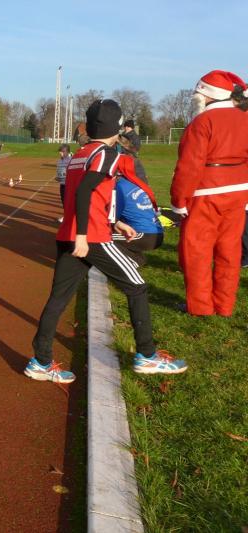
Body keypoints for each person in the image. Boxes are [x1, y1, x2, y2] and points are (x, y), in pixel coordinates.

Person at [25, 99, 187, 384]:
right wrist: (84, 235)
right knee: (137, 286)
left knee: (58, 298)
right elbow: (85, 193)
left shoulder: (80, 154)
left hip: (70, 234)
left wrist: (115, 223)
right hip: (90, 236)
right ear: (117, 127)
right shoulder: (107, 154)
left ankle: (41, 361)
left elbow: (91, 195)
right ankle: (147, 355)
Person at [170, 70, 248, 317]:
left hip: (206, 192)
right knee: (230, 250)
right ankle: (224, 305)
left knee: (197, 251)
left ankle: (201, 306)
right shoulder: (245, 118)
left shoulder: (202, 122)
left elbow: (190, 165)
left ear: (205, 94)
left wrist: (179, 199)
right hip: (238, 191)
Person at [112, 158, 163, 267]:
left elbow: (112, 218)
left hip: (144, 235)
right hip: (156, 232)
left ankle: (134, 261)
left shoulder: (119, 187)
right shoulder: (135, 184)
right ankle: (135, 256)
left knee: (102, 238)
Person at [55, 143, 72, 223]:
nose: (61, 153)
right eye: (60, 151)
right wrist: (57, 177)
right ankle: (66, 216)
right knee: (63, 201)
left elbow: (72, 172)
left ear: (68, 152)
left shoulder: (70, 160)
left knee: (68, 202)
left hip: (69, 185)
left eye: (63, 151)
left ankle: (67, 217)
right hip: (62, 184)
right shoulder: (59, 161)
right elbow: (59, 171)